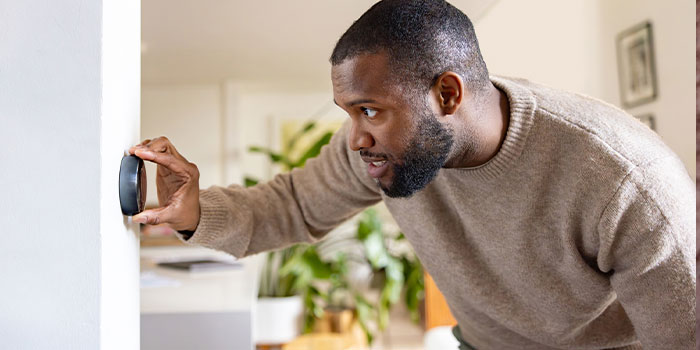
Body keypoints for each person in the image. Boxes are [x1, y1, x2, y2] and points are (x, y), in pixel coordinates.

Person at [130, 1, 695, 349]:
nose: (356, 138)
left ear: (447, 93)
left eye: (370, 109)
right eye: (348, 113)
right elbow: (292, 207)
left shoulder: (626, 181)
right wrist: (194, 211)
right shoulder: (378, 151)